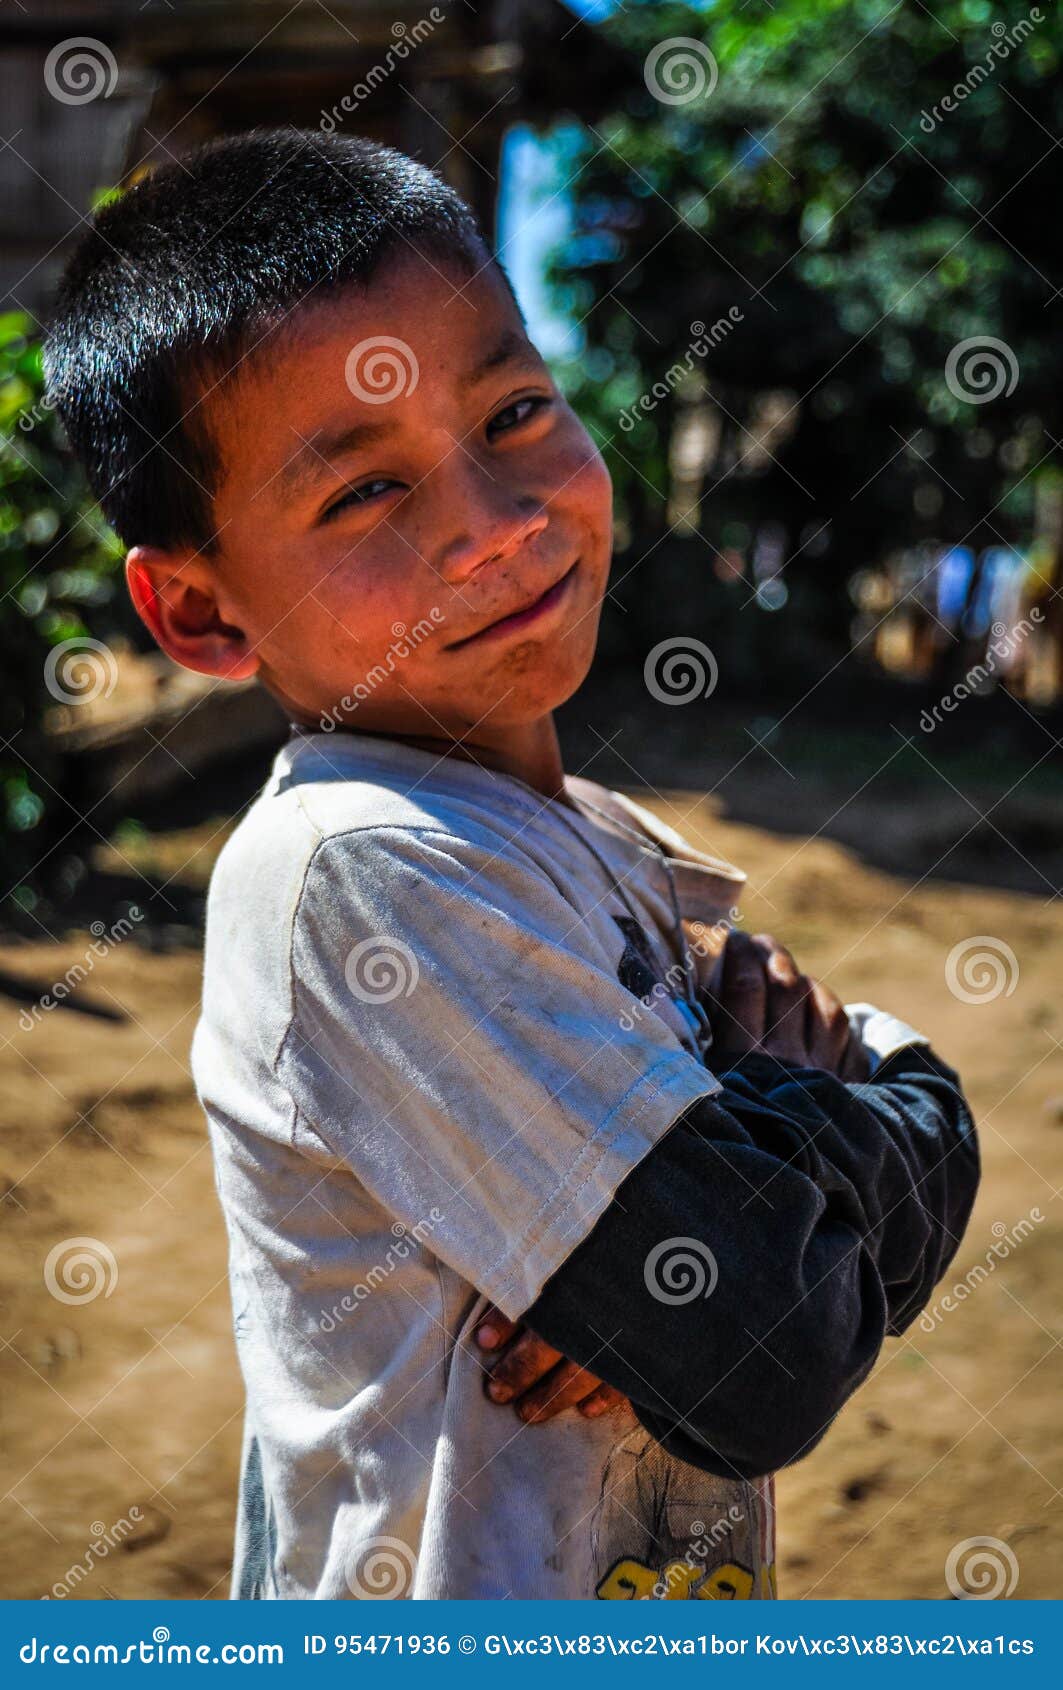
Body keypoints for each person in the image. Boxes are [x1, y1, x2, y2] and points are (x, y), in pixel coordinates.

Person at [44, 128, 979, 1601]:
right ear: (203, 616)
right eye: (361, 495)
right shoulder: (360, 868)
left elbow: (770, 1267)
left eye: (517, 411)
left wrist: (753, 1159)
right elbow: (761, 1348)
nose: (496, 524)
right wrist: (806, 1135)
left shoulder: (586, 838)